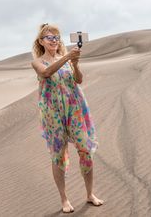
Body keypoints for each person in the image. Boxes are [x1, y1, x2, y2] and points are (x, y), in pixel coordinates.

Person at [31, 23, 104, 213]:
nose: (54, 41)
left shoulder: (66, 59)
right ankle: (64, 199)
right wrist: (67, 58)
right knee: (58, 156)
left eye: (57, 37)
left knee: (85, 151)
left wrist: (75, 64)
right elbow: (46, 73)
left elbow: (78, 80)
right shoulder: (37, 61)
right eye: (49, 37)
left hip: (74, 109)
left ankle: (90, 194)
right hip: (53, 112)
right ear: (41, 41)